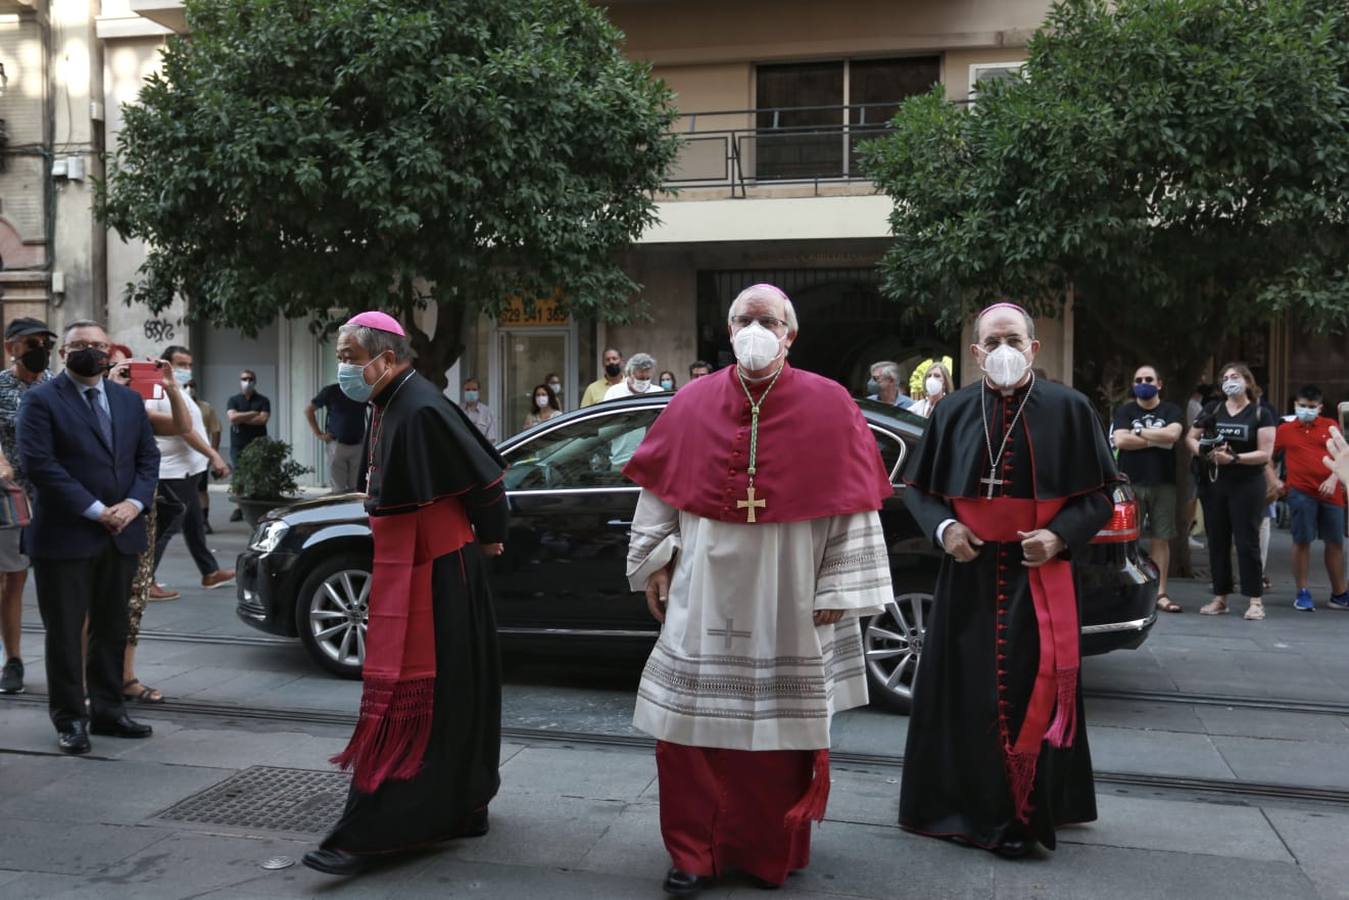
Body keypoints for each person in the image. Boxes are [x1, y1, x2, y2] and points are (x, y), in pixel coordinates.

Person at [623, 283, 893, 893]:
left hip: (791, 588)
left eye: (766, 319)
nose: (754, 327)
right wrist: (657, 562)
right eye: (743, 318)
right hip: (703, 585)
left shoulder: (830, 404)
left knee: (777, 738)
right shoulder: (691, 402)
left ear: (789, 334)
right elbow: (659, 491)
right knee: (688, 729)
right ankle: (692, 854)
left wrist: (840, 586)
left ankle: (765, 852)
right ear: (728, 330)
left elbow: (854, 505)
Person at [899, 302, 1118, 859]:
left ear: (1033, 348)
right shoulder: (950, 411)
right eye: (992, 341)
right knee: (965, 695)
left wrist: (1061, 535)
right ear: (975, 353)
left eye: (1013, 340)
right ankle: (965, 809)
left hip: (1037, 572)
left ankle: (1026, 810)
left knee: (1032, 690)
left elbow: (1098, 495)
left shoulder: (1071, 408)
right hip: (968, 574)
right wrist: (945, 529)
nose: (1003, 350)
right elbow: (919, 490)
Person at [304, 311, 508, 876]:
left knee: (424, 697)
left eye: (349, 356)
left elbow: (487, 478)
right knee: (457, 691)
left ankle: (378, 828)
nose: (343, 366)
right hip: (420, 564)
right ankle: (467, 802)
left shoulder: (419, 406)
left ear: (386, 359)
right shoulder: (391, 401)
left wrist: (489, 538)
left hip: (437, 568)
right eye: (342, 356)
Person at [18, 320, 160, 754]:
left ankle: (108, 711)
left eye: (98, 345)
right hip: (66, 534)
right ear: (64, 353)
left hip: (122, 533)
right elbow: (40, 465)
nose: (91, 352)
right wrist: (98, 511)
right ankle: (70, 719)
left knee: (113, 627)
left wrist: (133, 505)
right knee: (64, 631)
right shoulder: (41, 400)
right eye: (80, 345)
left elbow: (147, 459)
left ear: (110, 351)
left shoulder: (126, 400)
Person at [107, 346, 191, 704]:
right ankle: (85, 679)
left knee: (135, 595)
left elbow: (182, 426)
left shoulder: (140, 415)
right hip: (97, 515)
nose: (126, 378)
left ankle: (125, 676)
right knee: (93, 599)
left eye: (131, 372)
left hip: (140, 512)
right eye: (118, 371)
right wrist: (111, 388)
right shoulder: (86, 408)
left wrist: (171, 386)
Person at [1185, 363, 1276, 620]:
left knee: (1247, 542)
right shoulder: (1212, 408)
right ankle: (1220, 597)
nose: (1229, 381)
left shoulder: (1261, 413)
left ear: (1248, 382)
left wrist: (1234, 459)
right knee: (1217, 541)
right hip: (1215, 482)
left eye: (1235, 376)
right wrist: (1205, 452)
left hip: (1247, 483)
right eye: (1225, 378)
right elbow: (1191, 437)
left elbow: (1265, 454)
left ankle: (1255, 600)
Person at [149, 346, 234, 592]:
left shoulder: (180, 391)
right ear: (166, 364)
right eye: (181, 364)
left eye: (189, 365)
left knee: (194, 524)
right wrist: (214, 455)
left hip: (189, 470)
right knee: (168, 526)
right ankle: (144, 580)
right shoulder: (157, 389)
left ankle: (210, 572)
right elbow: (184, 429)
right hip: (171, 472)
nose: (186, 370)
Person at [0, 317, 55, 695]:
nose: (39, 349)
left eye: (43, 342)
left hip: (54, 497)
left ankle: (68, 661)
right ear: (11, 348)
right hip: (10, 497)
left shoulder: (58, 385)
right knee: (11, 579)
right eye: (30, 342)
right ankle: (14, 659)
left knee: (58, 583)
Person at [1112, 365, 1185, 612]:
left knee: (1160, 539)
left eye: (1149, 379)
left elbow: (1173, 435)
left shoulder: (1171, 410)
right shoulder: (1125, 410)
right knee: (1127, 540)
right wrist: (1157, 438)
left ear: (1159, 384)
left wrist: (1140, 432)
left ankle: (1160, 593)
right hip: (1130, 483)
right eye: (1138, 379)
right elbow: (1121, 440)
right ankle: (1128, 591)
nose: (1144, 383)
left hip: (1163, 483)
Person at [1274, 386, 1349, 610]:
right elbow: (1271, 458)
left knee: (1335, 542)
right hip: (1300, 491)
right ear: (1296, 405)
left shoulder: (1331, 426)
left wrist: (1333, 480)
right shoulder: (1285, 430)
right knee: (1302, 541)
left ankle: (1339, 593)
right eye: (1302, 406)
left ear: (1320, 407)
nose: (1306, 410)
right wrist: (1275, 482)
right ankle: (1302, 592)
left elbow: (1343, 457)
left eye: (1311, 407)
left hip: (1331, 492)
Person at [226, 369, 270, 520]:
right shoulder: (233, 400)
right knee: (238, 476)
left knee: (258, 475)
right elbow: (232, 418)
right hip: (238, 444)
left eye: (250, 379)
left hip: (258, 444)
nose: (247, 382)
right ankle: (239, 508)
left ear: (255, 381)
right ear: (240, 381)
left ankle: (256, 506)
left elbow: (263, 420)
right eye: (244, 379)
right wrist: (253, 413)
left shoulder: (263, 400)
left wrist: (241, 417)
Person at [307, 382, 367, 493]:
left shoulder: (362, 390)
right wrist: (319, 434)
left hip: (358, 445)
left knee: (356, 489)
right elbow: (309, 411)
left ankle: (352, 510)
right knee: (338, 490)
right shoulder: (331, 391)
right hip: (336, 444)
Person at [460, 377, 498, 443]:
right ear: (463, 391)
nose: (471, 392)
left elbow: (491, 439)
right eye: (468, 390)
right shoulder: (457, 410)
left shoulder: (488, 412)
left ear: (479, 391)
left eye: (474, 390)